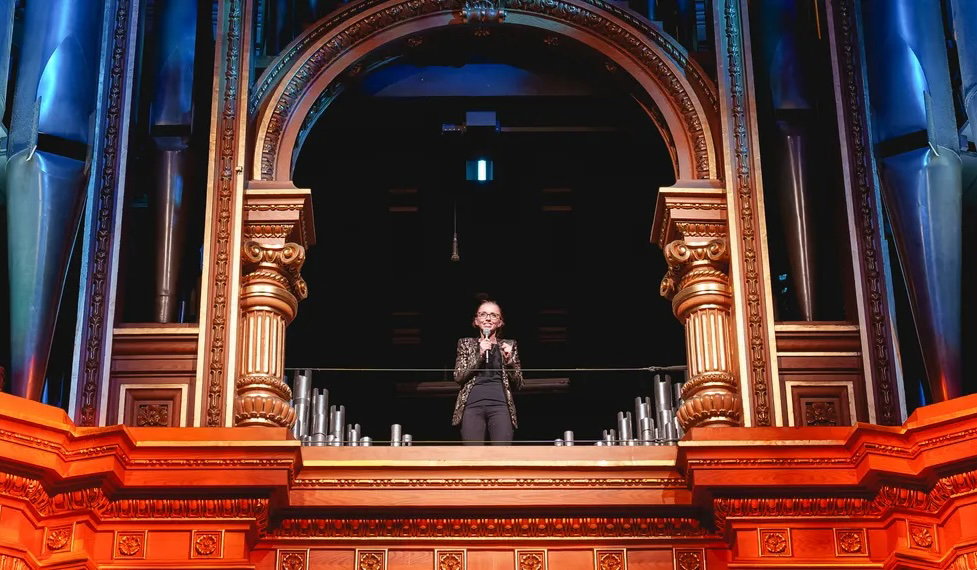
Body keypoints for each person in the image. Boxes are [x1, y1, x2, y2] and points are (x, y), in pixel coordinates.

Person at [451, 299, 523, 444]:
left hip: (500, 405)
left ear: (500, 322)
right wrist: (480, 354)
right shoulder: (466, 343)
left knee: (501, 455)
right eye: (483, 314)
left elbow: (519, 384)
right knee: (473, 456)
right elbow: (458, 376)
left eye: (493, 315)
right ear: (476, 321)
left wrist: (509, 361)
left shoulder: (509, 345)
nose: (488, 318)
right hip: (472, 405)